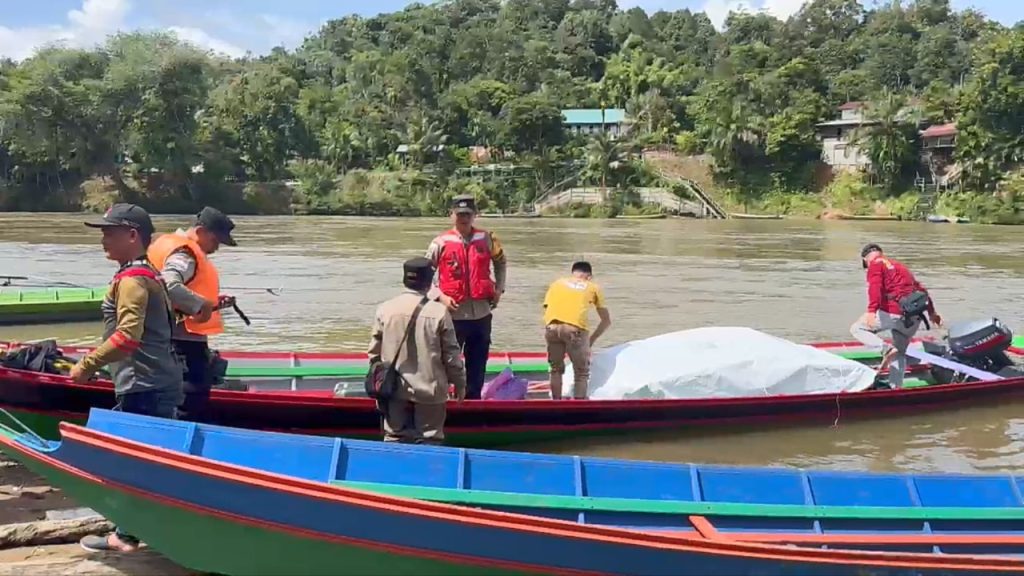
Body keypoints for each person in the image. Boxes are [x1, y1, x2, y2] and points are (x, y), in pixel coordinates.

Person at [71, 203, 182, 553]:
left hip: (144, 386)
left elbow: (127, 337)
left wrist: (86, 365)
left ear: (132, 235)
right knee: (142, 460)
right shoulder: (148, 273)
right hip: (154, 382)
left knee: (133, 462)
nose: (103, 238)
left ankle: (127, 535)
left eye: (109, 231)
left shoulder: (133, 280)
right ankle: (133, 528)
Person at [147, 206, 237, 422]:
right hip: (182, 344)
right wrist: (201, 304)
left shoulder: (166, 243)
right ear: (201, 231)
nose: (216, 248)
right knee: (189, 402)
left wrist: (211, 303)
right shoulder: (185, 253)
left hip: (163, 337)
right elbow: (168, 284)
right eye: (216, 241)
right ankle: (177, 449)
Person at [368, 257, 467, 444]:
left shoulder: (385, 309)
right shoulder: (439, 312)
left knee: (394, 437)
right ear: (429, 282)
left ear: (405, 279)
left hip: (394, 389)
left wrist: (378, 386)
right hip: (430, 390)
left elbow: (374, 354)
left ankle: (395, 471)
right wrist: (460, 384)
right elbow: (452, 356)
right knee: (429, 440)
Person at [426, 195, 507, 400]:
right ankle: (445, 400)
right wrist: (440, 296)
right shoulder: (440, 243)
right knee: (447, 362)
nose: (464, 218)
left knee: (478, 363)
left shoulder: (487, 239)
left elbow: (501, 262)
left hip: (481, 313)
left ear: (475, 215)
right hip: (452, 315)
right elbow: (424, 276)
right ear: (451, 215)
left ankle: (472, 401)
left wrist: (499, 289)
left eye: (468, 214)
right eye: (460, 214)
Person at [850, 243, 942, 389]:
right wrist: (932, 313)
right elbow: (921, 289)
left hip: (893, 311)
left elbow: (875, 287)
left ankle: (884, 348)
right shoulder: (900, 266)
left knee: (857, 329)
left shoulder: (875, 264)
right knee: (899, 353)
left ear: (866, 259)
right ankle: (895, 388)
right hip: (914, 316)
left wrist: (871, 311)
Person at [542, 261, 611, 400]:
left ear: (573, 273)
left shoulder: (557, 283)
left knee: (555, 369)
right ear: (589, 276)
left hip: (552, 327)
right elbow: (606, 321)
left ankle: (556, 403)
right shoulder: (593, 287)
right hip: (575, 329)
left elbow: (547, 307)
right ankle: (578, 405)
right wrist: (590, 341)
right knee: (581, 373)